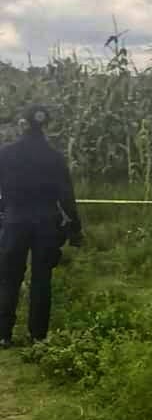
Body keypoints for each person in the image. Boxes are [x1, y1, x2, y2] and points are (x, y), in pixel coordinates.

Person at [0, 104, 83, 348]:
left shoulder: (5, 154)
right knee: (41, 280)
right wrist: (76, 227)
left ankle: (3, 334)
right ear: (45, 126)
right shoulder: (54, 157)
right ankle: (38, 336)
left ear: (23, 124)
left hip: (14, 222)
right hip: (46, 224)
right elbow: (66, 196)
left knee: (8, 279)